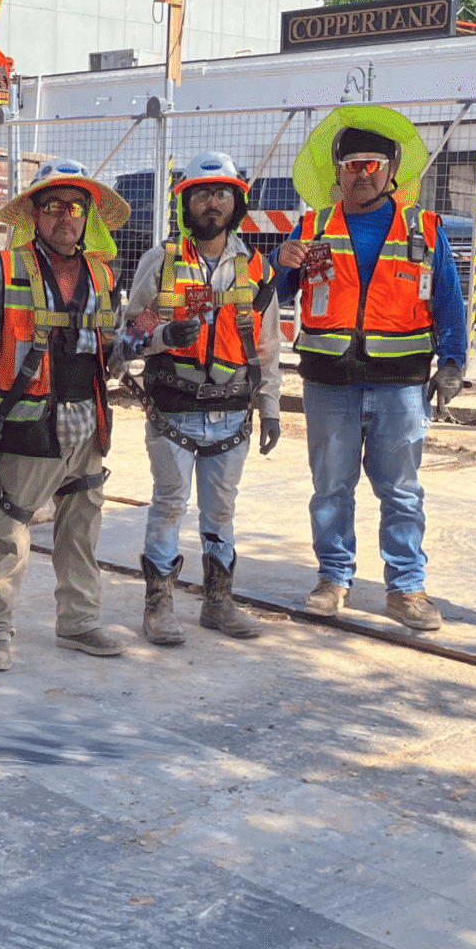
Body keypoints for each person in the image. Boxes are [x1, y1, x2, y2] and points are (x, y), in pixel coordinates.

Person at [274, 108, 467, 632]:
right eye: (351, 164)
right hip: (328, 382)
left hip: (400, 386)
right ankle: (333, 578)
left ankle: (406, 588)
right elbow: (276, 294)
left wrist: (452, 362)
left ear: (391, 172)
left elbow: (449, 301)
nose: (361, 173)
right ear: (337, 171)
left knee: (401, 491)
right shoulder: (311, 227)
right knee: (330, 488)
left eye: (372, 164)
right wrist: (280, 262)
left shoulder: (423, 230)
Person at [0, 160, 130, 671]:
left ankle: (78, 624)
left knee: (80, 531)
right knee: (9, 532)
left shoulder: (102, 273)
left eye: (74, 208)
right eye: (52, 206)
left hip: (88, 423)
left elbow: (111, 351)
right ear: (34, 214)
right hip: (29, 422)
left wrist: (147, 340)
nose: (64, 218)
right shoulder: (7, 268)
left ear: (87, 217)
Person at [116, 152, 283, 645]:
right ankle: (159, 604)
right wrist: (165, 334)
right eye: (204, 194)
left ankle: (219, 601)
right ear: (185, 201)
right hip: (173, 410)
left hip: (232, 414)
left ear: (237, 202)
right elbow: (127, 338)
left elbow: (268, 346)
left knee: (221, 514)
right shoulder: (162, 262)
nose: (214, 204)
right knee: (169, 506)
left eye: (223, 194)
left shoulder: (255, 267)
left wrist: (270, 406)